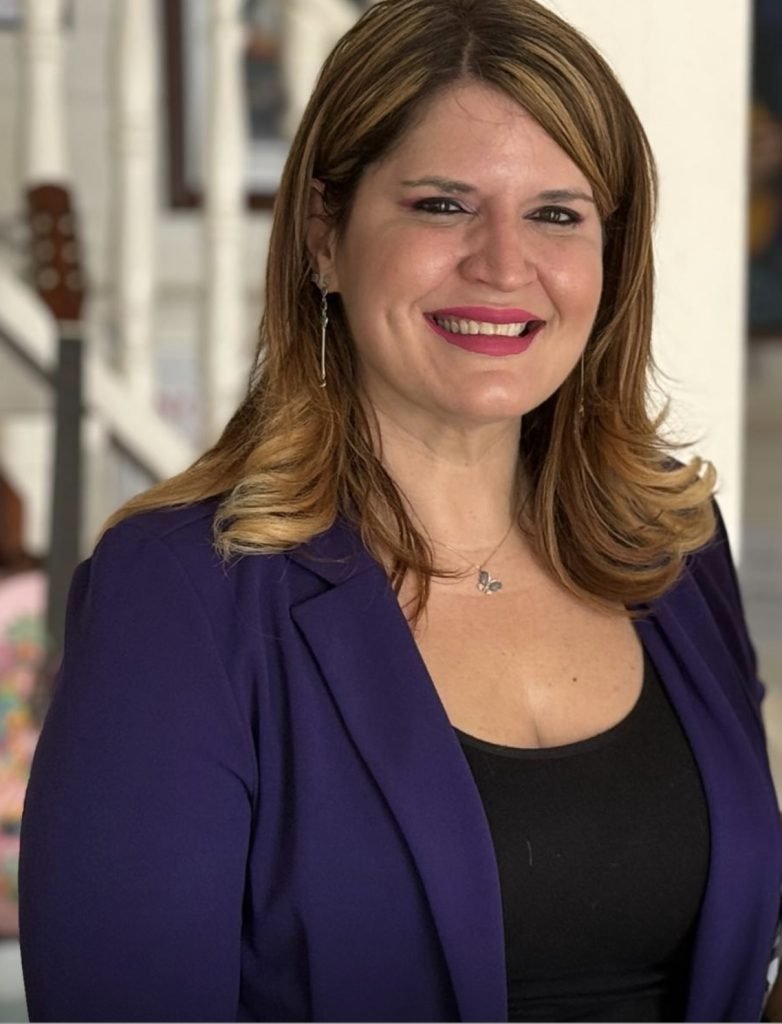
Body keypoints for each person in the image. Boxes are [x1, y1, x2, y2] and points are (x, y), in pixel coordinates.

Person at [18, 0, 782, 1021]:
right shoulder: (181, 594)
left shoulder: (672, 549)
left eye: (557, 215)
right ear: (324, 236)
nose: (502, 264)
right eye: (442, 205)